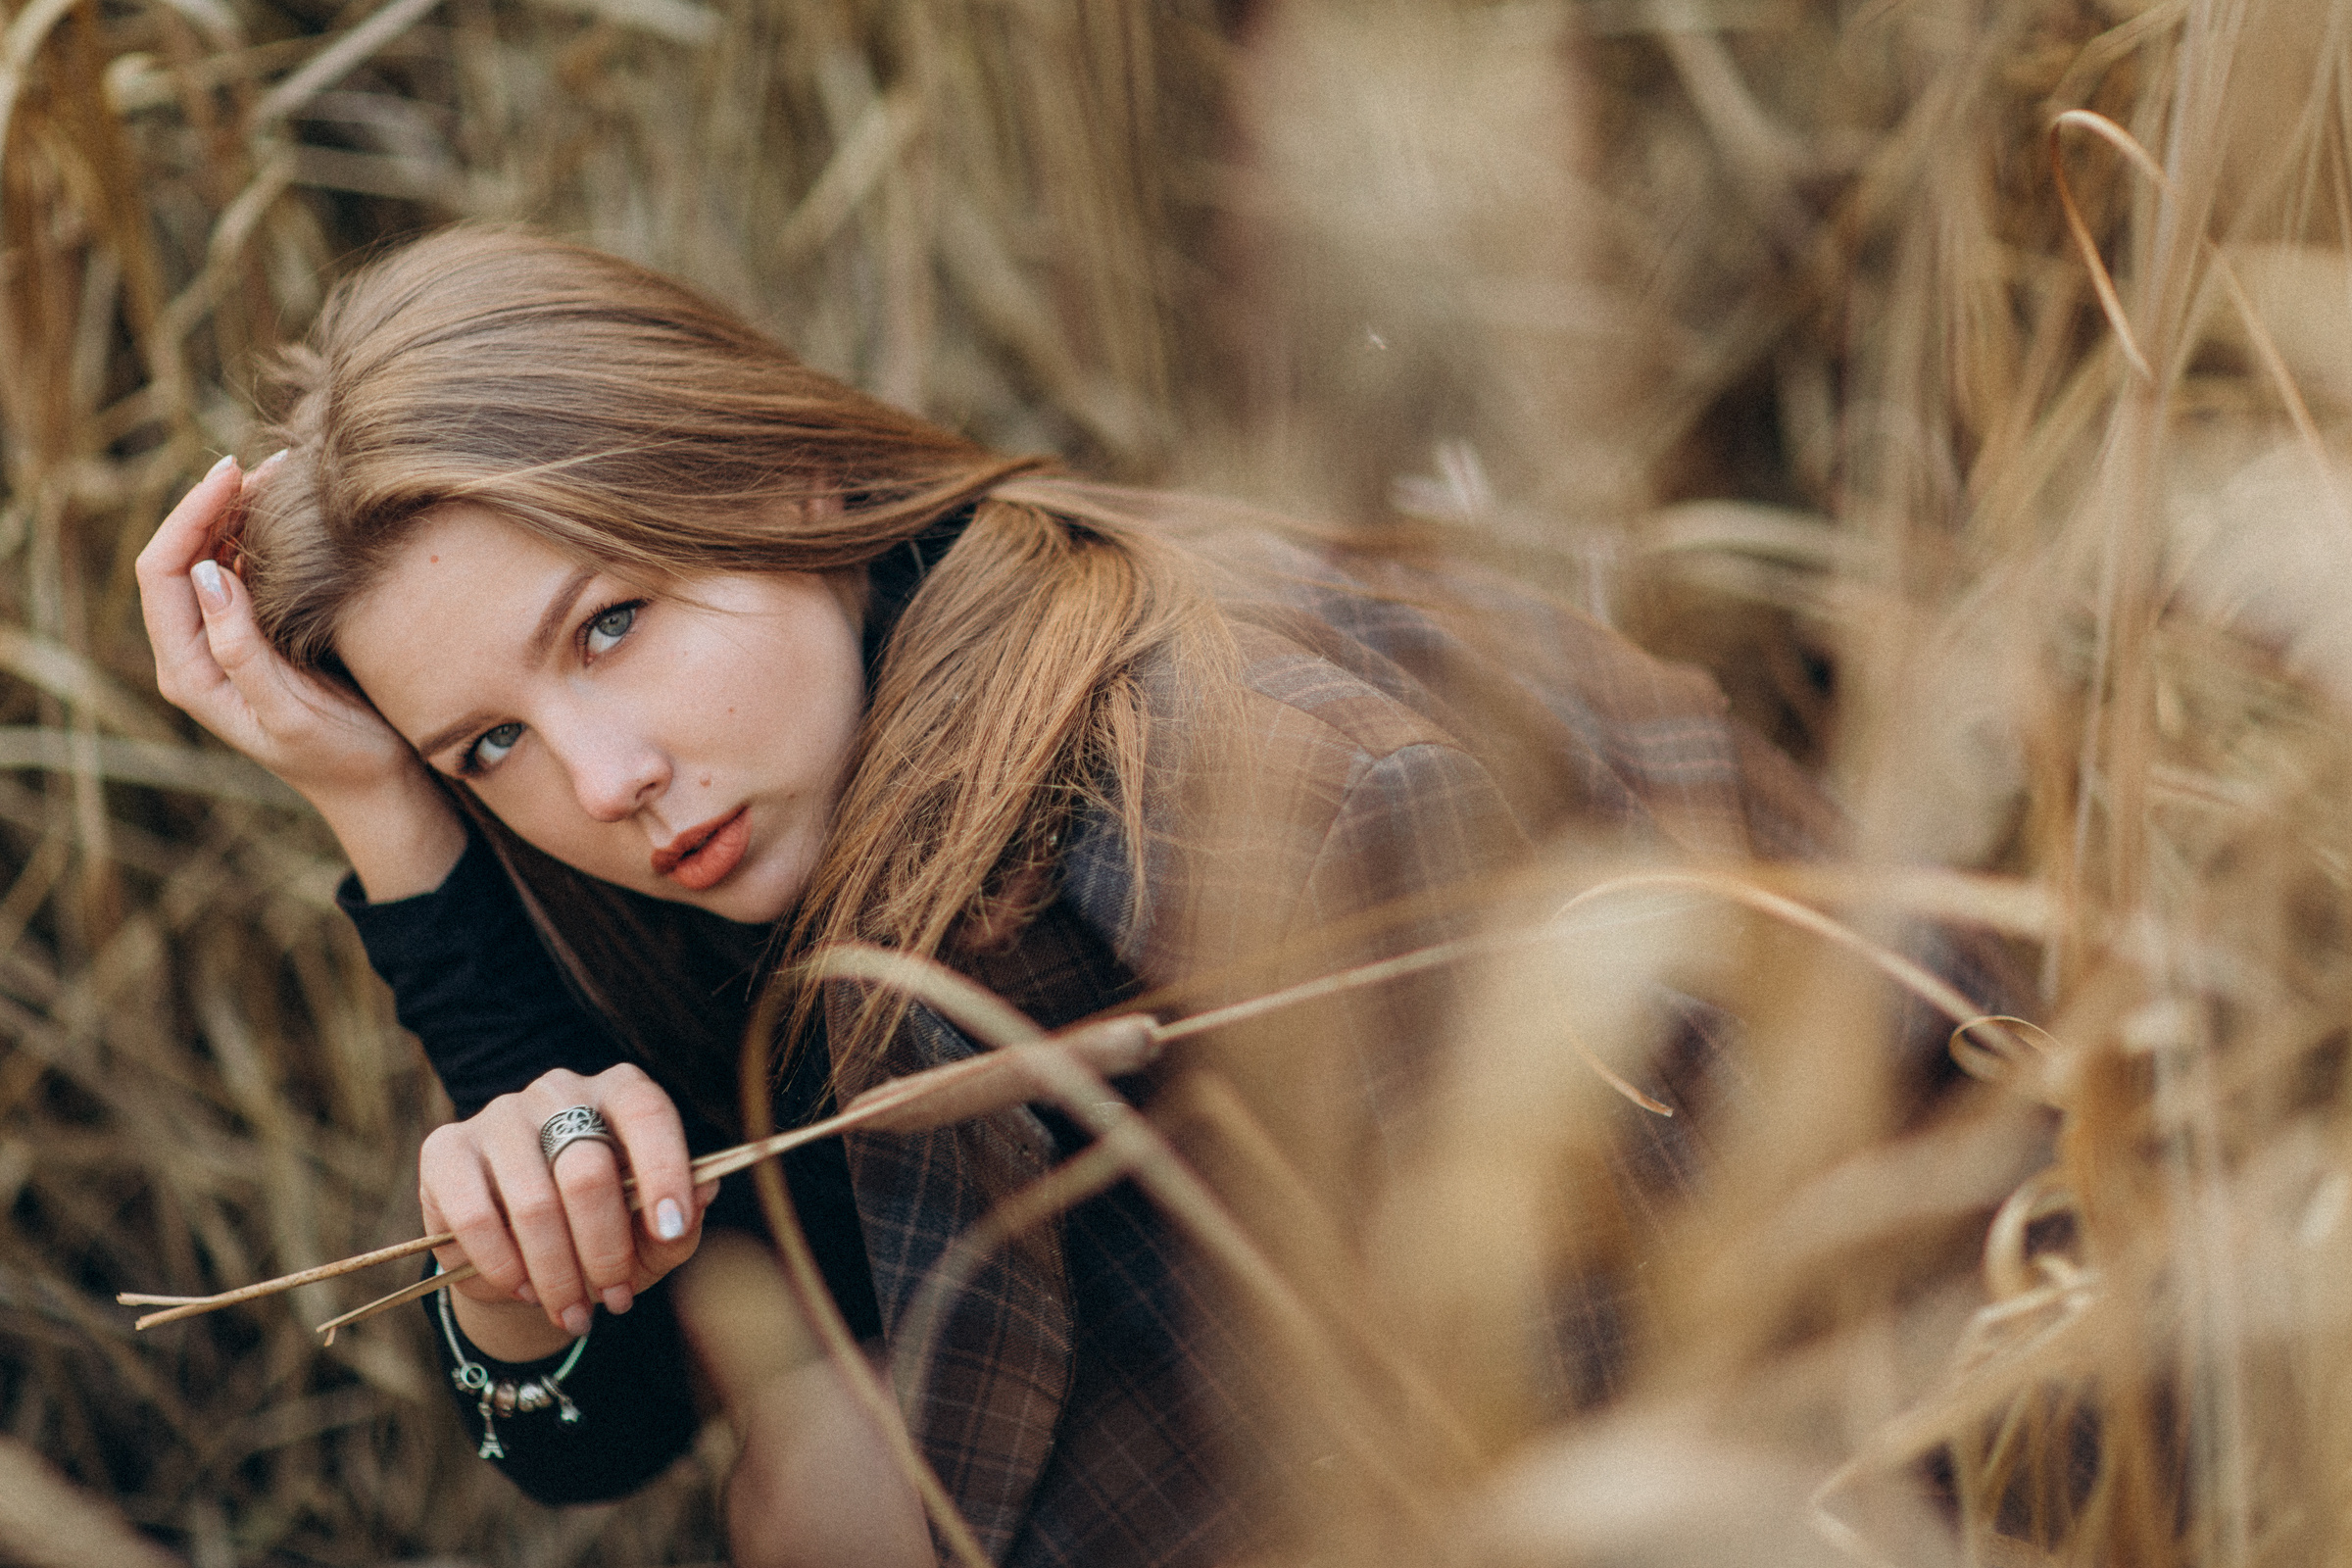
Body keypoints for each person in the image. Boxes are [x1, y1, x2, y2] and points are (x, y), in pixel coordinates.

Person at [134, 228, 1852, 1568]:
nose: (600, 782)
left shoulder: (1198, 831)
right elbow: (612, 1434)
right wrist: (389, 818)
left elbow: (1620, 1436)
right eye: (487, 742)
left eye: (611, 623)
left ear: (786, 478)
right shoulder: (909, 709)